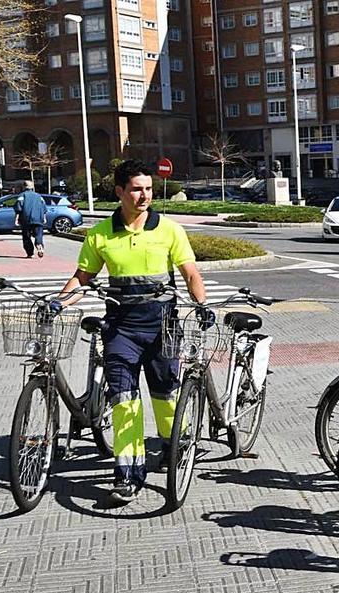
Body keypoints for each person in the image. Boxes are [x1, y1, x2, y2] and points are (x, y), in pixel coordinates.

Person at [57, 160, 207, 503]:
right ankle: (128, 473)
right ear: (120, 192)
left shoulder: (169, 230)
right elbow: (83, 278)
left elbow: (190, 273)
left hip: (162, 326)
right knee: (123, 400)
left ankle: (174, 447)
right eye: (137, 189)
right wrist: (59, 302)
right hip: (121, 329)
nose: (144, 196)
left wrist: (201, 304)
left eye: (149, 189)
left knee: (166, 394)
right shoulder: (100, 234)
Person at [14, 180, 47, 259]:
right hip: (38, 218)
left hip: (26, 219)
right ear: (32, 187)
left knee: (26, 236)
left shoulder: (22, 196)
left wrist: (16, 219)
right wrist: (44, 218)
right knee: (38, 234)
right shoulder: (39, 196)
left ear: (24, 187)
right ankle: (39, 244)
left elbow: (19, 208)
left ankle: (30, 253)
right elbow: (44, 208)